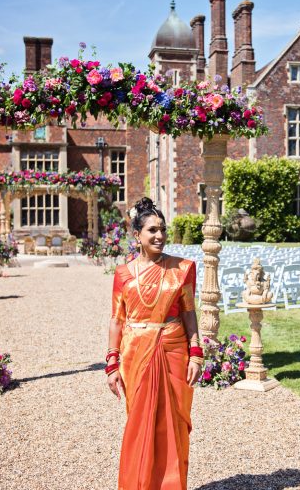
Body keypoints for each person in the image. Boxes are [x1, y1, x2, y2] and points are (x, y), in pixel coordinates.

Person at [105, 197, 203, 490]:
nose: (159, 235)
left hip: (173, 349)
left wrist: (196, 355)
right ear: (137, 235)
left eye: (162, 229)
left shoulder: (181, 269)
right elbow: (117, 320)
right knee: (140, 423)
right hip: (136, 353)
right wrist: (112, 364)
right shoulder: (123, 274)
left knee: (173, 424)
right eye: (152, 230)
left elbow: (188, 312)